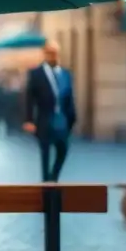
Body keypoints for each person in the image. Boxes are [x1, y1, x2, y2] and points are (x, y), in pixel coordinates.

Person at [23, 41, 77, 182]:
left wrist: (72, 118)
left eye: (55, 52)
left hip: (62, 120)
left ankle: (53, 178)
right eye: (50, 52)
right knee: (45, 156)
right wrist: (29, 120)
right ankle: (46, 184)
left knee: (63, 150)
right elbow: (29, 98)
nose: (53, 55)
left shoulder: (65, 74)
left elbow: (70, 98)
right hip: (44, 120)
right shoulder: (36, 74)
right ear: (45, 54)